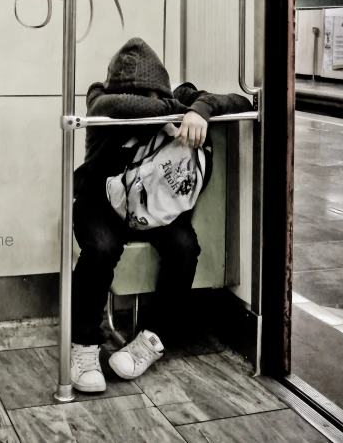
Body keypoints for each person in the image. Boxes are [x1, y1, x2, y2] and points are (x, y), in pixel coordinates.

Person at [71, 37, 252, 392]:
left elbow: (238, 100)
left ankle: (150, 340)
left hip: (153, 205)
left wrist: (201, 108)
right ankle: (84, 344)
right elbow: (117, 103)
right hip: (99, 202)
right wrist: (177, 107)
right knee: (102, 248)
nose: (143, 102)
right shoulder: (100, 100)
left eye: (149, 94)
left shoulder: (180, 101)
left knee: (185, 247)